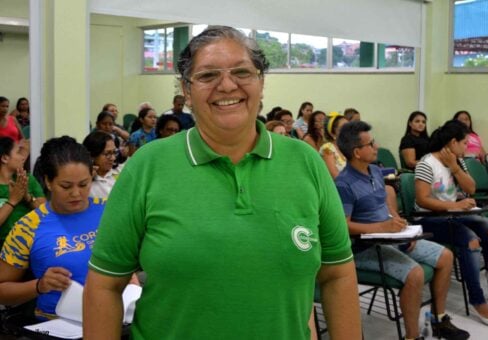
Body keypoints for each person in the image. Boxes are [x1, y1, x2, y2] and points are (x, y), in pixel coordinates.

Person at [83, 26, 362, 340]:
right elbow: (105, 285)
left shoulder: (306, 163)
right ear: (187, 91)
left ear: (261, 82)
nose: (227, 85)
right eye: (207, 75)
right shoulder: (146, 167)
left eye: (242, 72)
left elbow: (337, 274)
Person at [335, 121, 470, 340]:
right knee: (415, 273)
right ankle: (412, 336)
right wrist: (382, 227)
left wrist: (398, 223)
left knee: (446, 257)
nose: (376, 146)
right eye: (370, 144)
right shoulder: (344, 184)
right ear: (357, 152)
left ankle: (438, 319)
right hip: (365, 247)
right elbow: (343, 225)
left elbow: (383, 207)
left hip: (390, 237)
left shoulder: (375, 171)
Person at [0, 136, 105, 320]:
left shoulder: (108, 211)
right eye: (65, 186)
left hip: (113, 318)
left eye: (83, 184)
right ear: (48, 182)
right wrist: (39, 285)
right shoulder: (28, 226)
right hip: (58, 325)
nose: (76, 193)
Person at [415, 120, 488, 328]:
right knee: (471, 240)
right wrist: (454, 206)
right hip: (429, 219)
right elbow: (422, 200)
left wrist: (455, 168)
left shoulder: (457, 161)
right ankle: (477, 300)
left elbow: (471, 188)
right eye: (464, 143)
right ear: (453, 142)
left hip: (453, 215)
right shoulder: (426, 163)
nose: (467, 147)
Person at [0, 137, 45, 247]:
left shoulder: (27, 179)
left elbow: (45, 211)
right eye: (18, 152)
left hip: (32, 243)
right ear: (5, 158)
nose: (23, 157)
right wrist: (13, 201)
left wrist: (27, 197)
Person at [83, 131, 123, 199]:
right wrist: (87, 179)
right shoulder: (84, 180)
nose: (113, 158)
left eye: (114, 152)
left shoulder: (121, 171)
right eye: (107, 154)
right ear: (92, 155)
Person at [319, 112, 347, 179]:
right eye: (343, 128)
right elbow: (335, 176)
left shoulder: (348, 147)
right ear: (332, 133)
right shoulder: (327, 148)